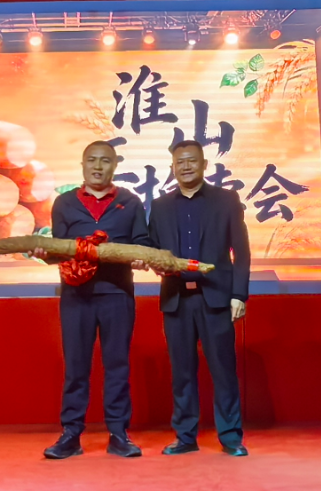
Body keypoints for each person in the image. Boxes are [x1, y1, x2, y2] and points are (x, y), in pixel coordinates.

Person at [36, 141, 151, 459]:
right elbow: (58, 249)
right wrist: (44, 253)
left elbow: (142, 242)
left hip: (117, 295)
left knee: (117, 366)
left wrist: (141, 256)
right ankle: (71, 435)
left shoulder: (130, 202)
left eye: (105, 161)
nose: (98, 167)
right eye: (92, 160)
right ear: (83, 165)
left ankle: (119, 434)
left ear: (115, 166)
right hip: (76, 296)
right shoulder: (64, 203)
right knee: (76, 367)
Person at [148, 140, 251, 457]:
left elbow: (241, 251)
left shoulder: (226, 200)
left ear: (204, 165)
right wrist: (153, 262)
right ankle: (185, 437)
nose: (186, 166)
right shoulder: (160, 206)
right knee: (181, 373)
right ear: (172, 167)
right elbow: (153, 250)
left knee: (223, 370)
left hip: (216, 298)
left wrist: (238, 294)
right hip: (176, 300)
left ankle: (231, 437)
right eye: (180, 162)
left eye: (192, 161)